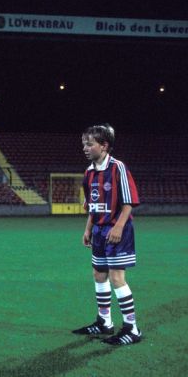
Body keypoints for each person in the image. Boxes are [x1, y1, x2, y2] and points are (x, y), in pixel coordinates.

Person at [72, 124, 142, 345]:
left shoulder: (118, 167)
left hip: (116, 229)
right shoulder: (89, 172)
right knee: (99, 275)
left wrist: (119, 227)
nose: (85, 147)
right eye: (84, 143)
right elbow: (92, 204)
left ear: (104, 146)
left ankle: (132, 329)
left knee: (116, 277)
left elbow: (129, 202)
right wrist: (88, 228)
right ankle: (105, 322)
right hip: (100, 231)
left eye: (89, 144)